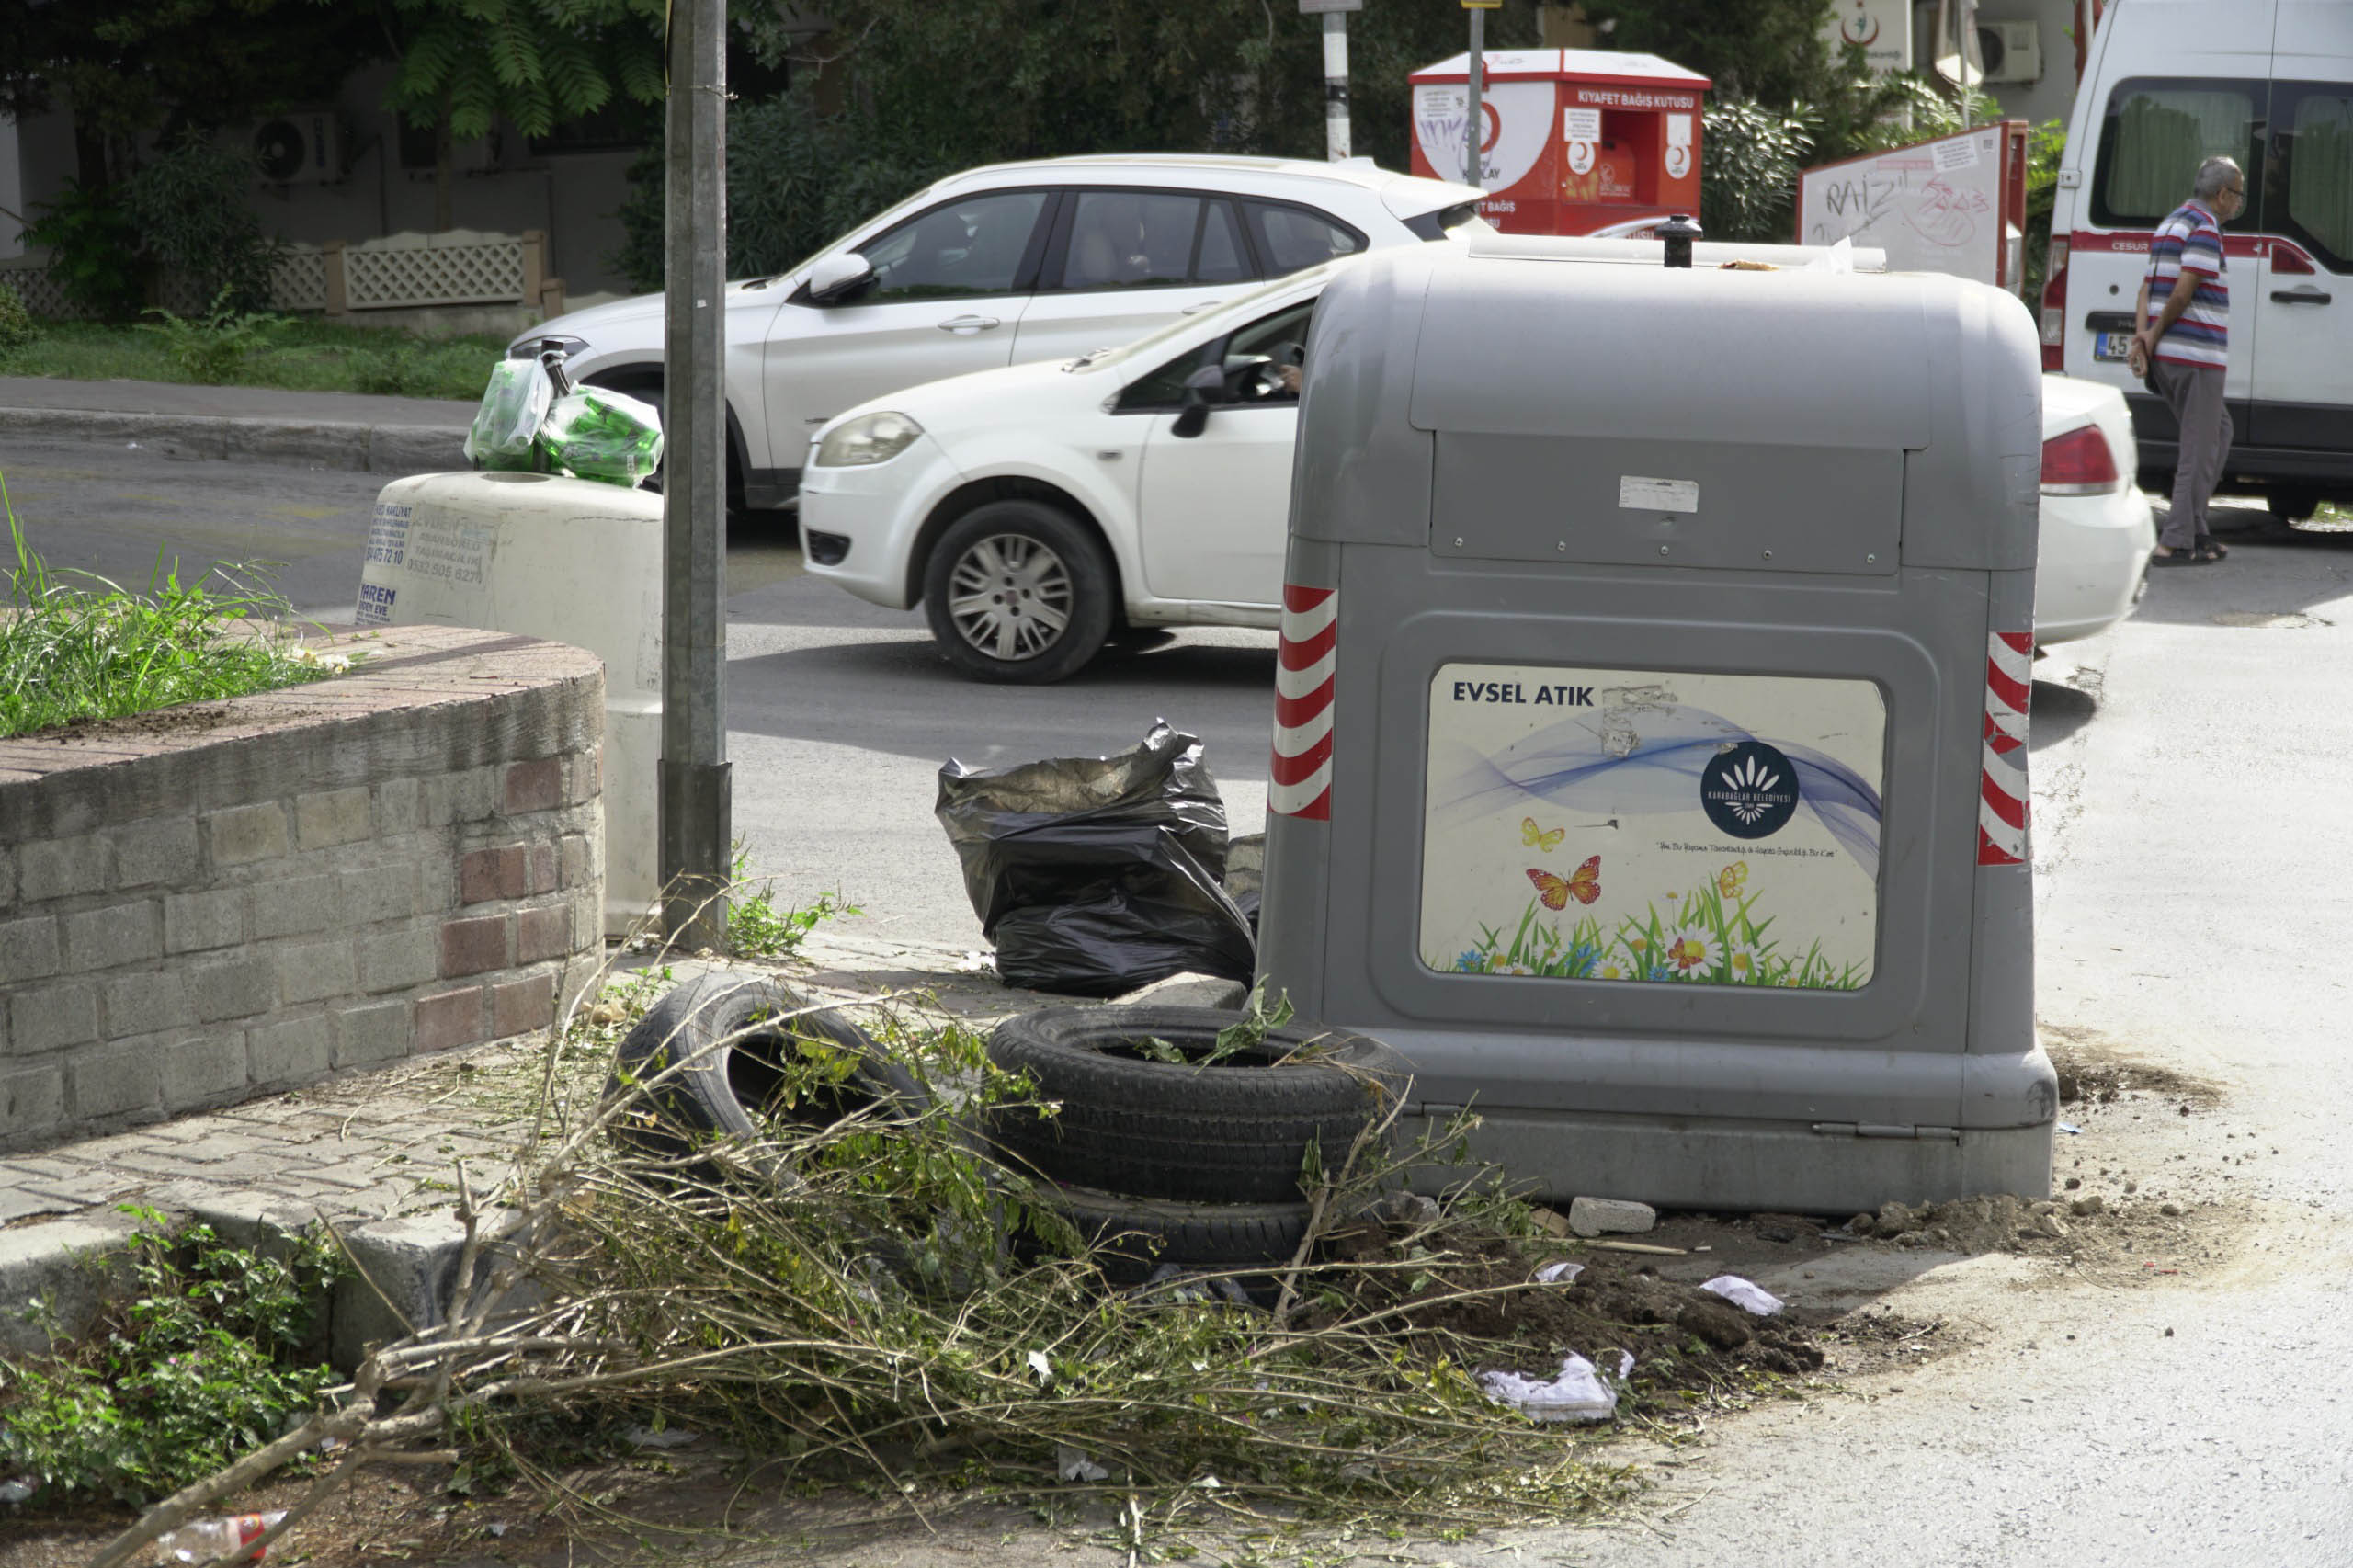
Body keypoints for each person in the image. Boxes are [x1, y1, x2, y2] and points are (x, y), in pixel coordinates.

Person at [2127, 155, 2245, 566]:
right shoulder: (2205, 228)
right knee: (2198, 448)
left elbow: (2145, 290)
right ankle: (2174, 542)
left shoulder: (2171, 222)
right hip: (2195, 358)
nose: (2238, 204)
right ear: (2223, 194)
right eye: (2238, 195)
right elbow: (2182, 293)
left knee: (2220, 432)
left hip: (2171, 357)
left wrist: (2143, 339)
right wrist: (2152, 336)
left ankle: (2195, 528)